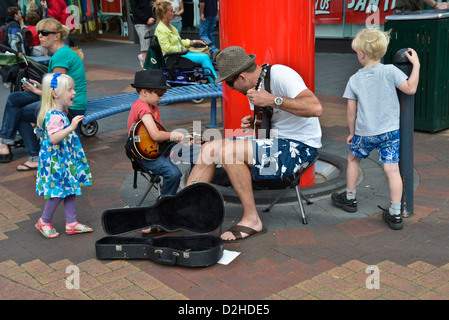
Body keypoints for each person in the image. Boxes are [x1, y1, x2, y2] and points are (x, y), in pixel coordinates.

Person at [186, 46, 323, 242]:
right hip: (275, 142)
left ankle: (252, 220)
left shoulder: (281, 74)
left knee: (227, 152)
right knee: (209, 148)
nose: (231, 88)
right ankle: (186, 207)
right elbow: (270, 128)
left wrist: (272, 100)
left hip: (300, 148)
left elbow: (316, 108)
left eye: (230, 83)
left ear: (241, 77)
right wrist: (255, 122)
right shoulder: (254, 89)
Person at [331, 28, 420, 231]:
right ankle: (396, 213)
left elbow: (351, 111)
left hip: (365, 132)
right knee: (392, 169)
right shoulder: (390, 71)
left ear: (361, 54)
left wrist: (352, 133)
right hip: (389, 132)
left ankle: (350, 199)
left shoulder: (354, 79)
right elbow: (410, 88)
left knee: (353, 159)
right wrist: (416, 65)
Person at [0, 17, 87, 171]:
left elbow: (57, 93)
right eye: (39, 32)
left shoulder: (60, 56)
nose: (40, 35)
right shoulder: (61, 53)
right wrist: (40, 85)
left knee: (18, 111)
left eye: (45, 32)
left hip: (69, 106)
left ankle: (20, 150)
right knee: (15, 99)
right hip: (67, 100)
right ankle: (6, 142)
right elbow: (55, 87)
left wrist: (36, 90)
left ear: (57, 36)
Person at [127, 69, 190, 235]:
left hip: (155, 149)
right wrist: (174, 135)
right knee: (173, 174)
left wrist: (179, 139)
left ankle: (178, 200)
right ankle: (162, 210)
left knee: (192, 150)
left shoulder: (152, 105)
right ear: (145, 92)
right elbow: (155, 134)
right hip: (146, 156)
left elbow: (158, 135)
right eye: (159, 93)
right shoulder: (142, 107)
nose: (162, 97)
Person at [35, 73, 93, 239]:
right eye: (70, 90)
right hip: (55, 162)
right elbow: (54, 138)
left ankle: (71, 222)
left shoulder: (59, 112)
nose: (74, 93)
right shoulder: (54, 115)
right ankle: (44, 221)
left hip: (62, 161)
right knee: (57, 193)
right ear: (55, 94)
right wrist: (71, 126)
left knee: (70, 190)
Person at [154, 1, 217, 82]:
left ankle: (212, 79)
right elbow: (166, 48)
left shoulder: (170, 26)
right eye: (171, 11)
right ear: (164, 14)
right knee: (204, 57)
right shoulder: (161, 29)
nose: (174, 12)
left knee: (204, 55)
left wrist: (195, 41)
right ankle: (215, 82)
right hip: (173, 57)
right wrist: (180, 49)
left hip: (179, 54)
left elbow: (179, 42)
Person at [130, 0, 157, 70]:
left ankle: (144, 59)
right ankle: (145, 66)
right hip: (141, 23)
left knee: (153, 44)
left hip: (153, 21)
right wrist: (146, 19)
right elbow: (134, 9)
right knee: (145, 45)